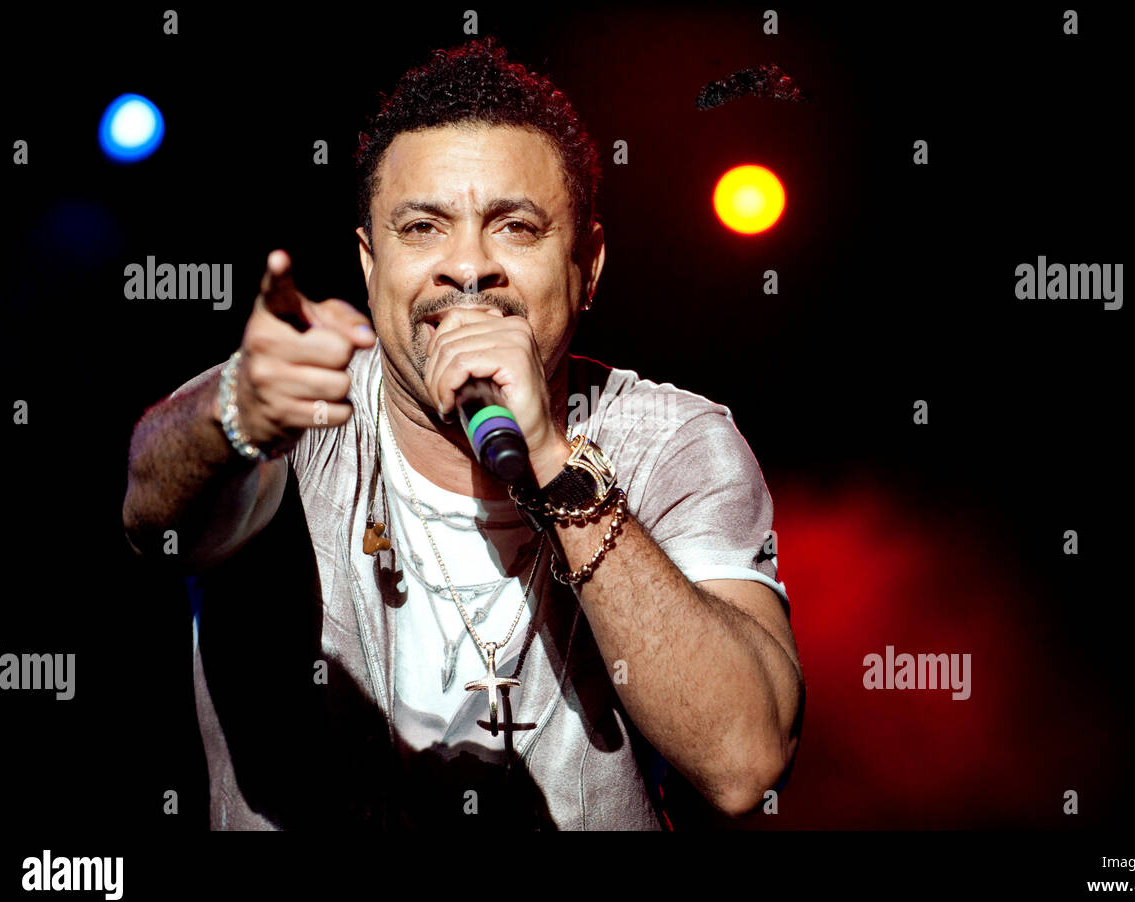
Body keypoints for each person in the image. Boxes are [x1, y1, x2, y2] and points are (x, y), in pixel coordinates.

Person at [122, 36, 803, 830]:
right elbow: (151, 511)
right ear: (370, 267)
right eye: (422, 229)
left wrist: (555, 462)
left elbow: (743, 764)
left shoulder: (672, 441)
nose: (468, 267)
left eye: (515, 226)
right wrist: (235, 411)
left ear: (589, 264)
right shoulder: (299, 412)